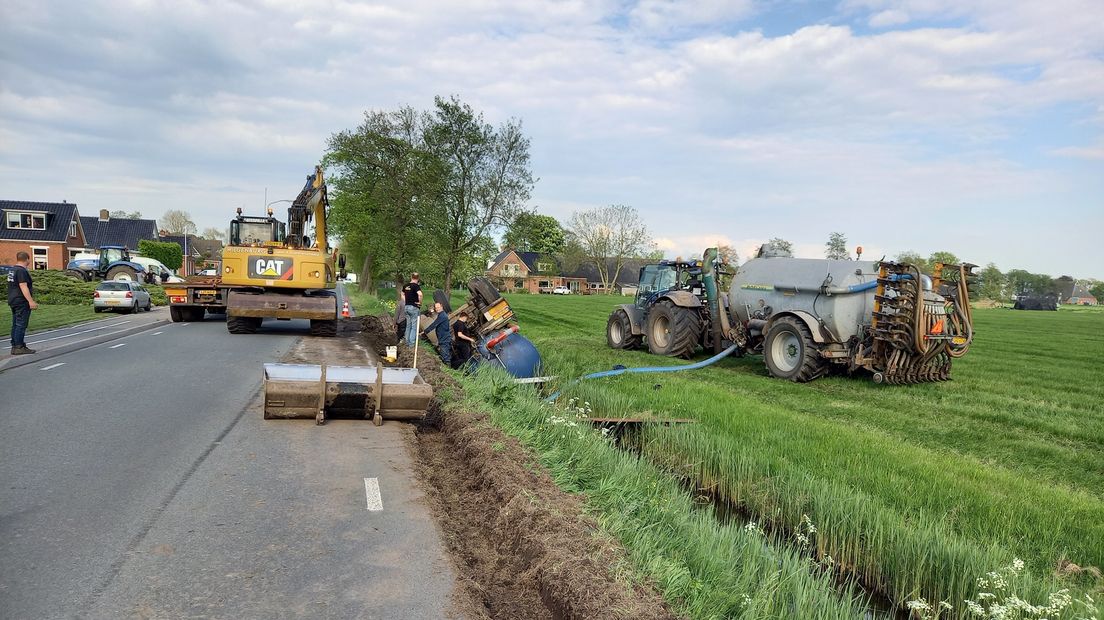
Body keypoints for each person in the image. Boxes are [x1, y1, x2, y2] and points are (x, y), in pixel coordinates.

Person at [7, 251, 38, 355]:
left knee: (15, 323)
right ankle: (19, 346)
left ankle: (15, 345)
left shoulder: (12, 270)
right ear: (27, 259)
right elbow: (23, 286)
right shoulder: (21, 271)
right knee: (21, 324)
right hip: (21, 300)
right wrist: (31, 301)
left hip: (13, 299)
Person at [421, 301, 452, 367]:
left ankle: (448, 369)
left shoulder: (442, 316)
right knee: (444, 354)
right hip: (443, 338)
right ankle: (447, 368)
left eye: (438, 307)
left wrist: (425, 331)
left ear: (442, 307)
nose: (437, 309)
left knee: (445, 356)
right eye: (436, 308)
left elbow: (434, 324)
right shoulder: (440, 315)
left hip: (444, 338)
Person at [401, 273, 422, 346]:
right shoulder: (416, 286)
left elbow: (402, 294)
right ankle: (411, 344)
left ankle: (407, 342)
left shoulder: (406, 286)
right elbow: (420, 294)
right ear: (418, 278)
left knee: (408, 325)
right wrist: (419, 302)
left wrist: (406, 300)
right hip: (413, 307)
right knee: (414, 326)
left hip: (406, 307)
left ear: (411, 277)